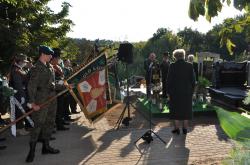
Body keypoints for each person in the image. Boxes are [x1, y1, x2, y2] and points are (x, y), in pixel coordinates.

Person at [26, 45, 60, 163]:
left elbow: (52, 84)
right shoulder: (36, 68)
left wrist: (63, 86)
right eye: (49, 54)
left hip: (51, 99)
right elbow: (31, 87)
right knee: (38, 125)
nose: (51, 56)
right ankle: (31, 152)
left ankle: (46, 147)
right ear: (42, 54)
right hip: (41, 101)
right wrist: (32, 103)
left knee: (49, 123)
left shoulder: (50, 66)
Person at [167, 49, 195, 135]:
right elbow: (193, 80)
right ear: (183, 55)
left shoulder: (172, 66)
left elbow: (169, 80)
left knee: (176, 110)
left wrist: (168, 92)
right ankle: (185, 129)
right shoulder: (189, 65)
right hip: (187, 92)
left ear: (175, 57)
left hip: (175, 92)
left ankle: (177, 129)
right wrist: (192, 91)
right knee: (186, 110)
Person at [9, 54, 30, 136]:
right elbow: (18, 85)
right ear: (20, 61)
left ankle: (19, 127)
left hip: (20, 93)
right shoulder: (16, 70)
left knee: (20, 111)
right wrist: (22, 96)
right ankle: (19, 129)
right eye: (24, 62)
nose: (25, 63)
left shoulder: (18, 69)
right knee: (19, 112)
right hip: (18, 94)